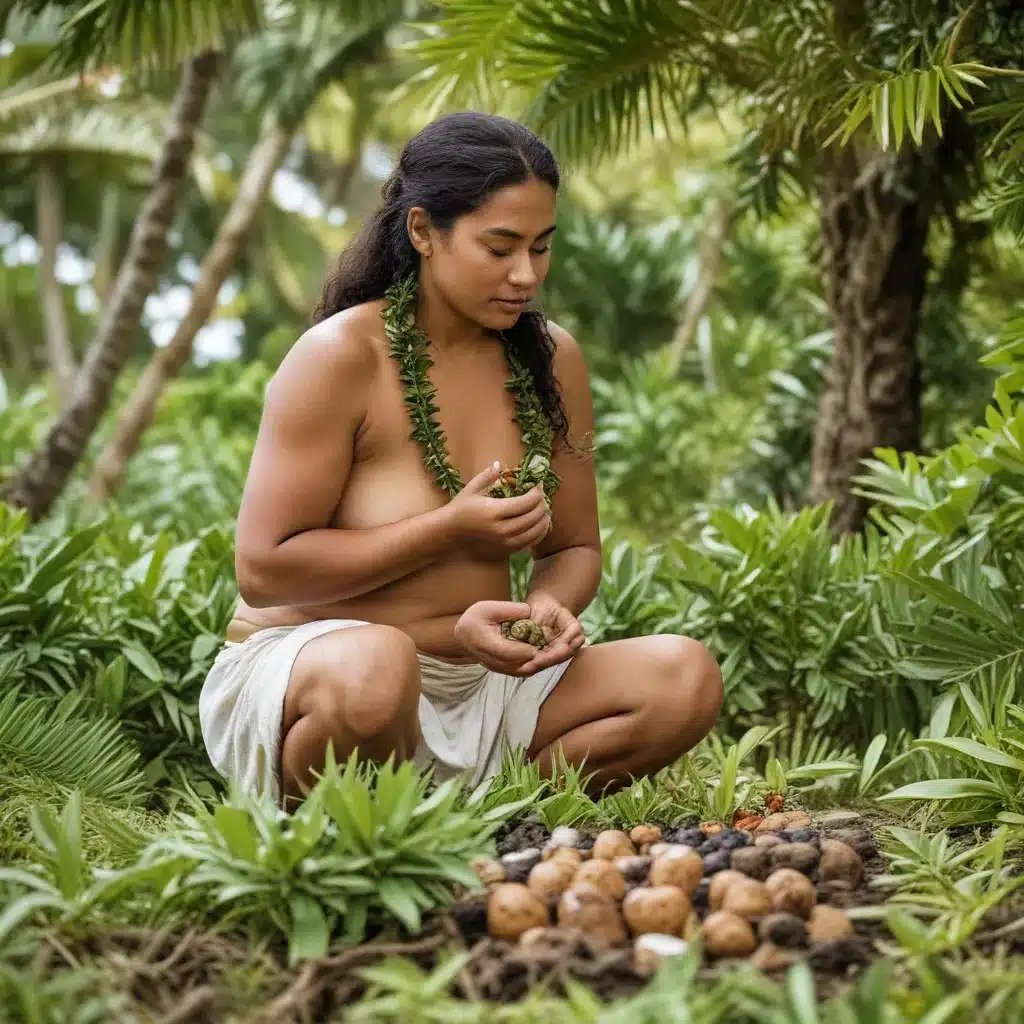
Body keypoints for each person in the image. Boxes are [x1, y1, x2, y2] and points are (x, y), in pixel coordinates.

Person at [198, 112, 723, 810]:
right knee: (377, 668)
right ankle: (334, 837)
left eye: (541, 247)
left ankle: (486, 830)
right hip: (325, 675)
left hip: (485, 680)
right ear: (423, 231)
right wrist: (449, 529)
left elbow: (573, 548)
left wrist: (540, 612)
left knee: (683, 677)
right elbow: (263, 571)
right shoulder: (340, 357)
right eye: (499, 246)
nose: (525, 274)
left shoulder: (550, 359)